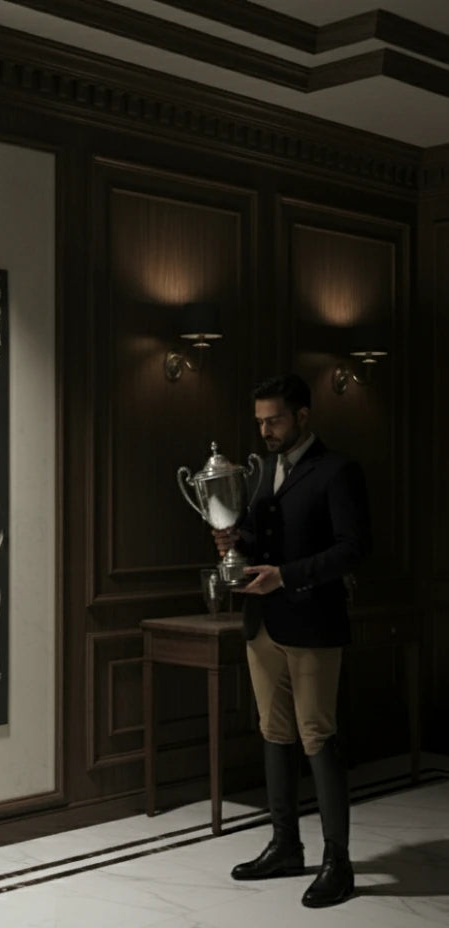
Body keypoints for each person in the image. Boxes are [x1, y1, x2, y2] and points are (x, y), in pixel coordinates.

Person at [213, 373, 370, 908]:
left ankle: (338, 863)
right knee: (273, 733)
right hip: (262, 623)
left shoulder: (338, 471)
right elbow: (263, 539)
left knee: (317, 737)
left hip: (313, 624)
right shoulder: (262, 474)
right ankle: (284, 846)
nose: (265, 430)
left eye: (274, 420)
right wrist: (234, 539)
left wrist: (287, 574)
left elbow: (353, 549)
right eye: (259, 422)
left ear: (303, 416)